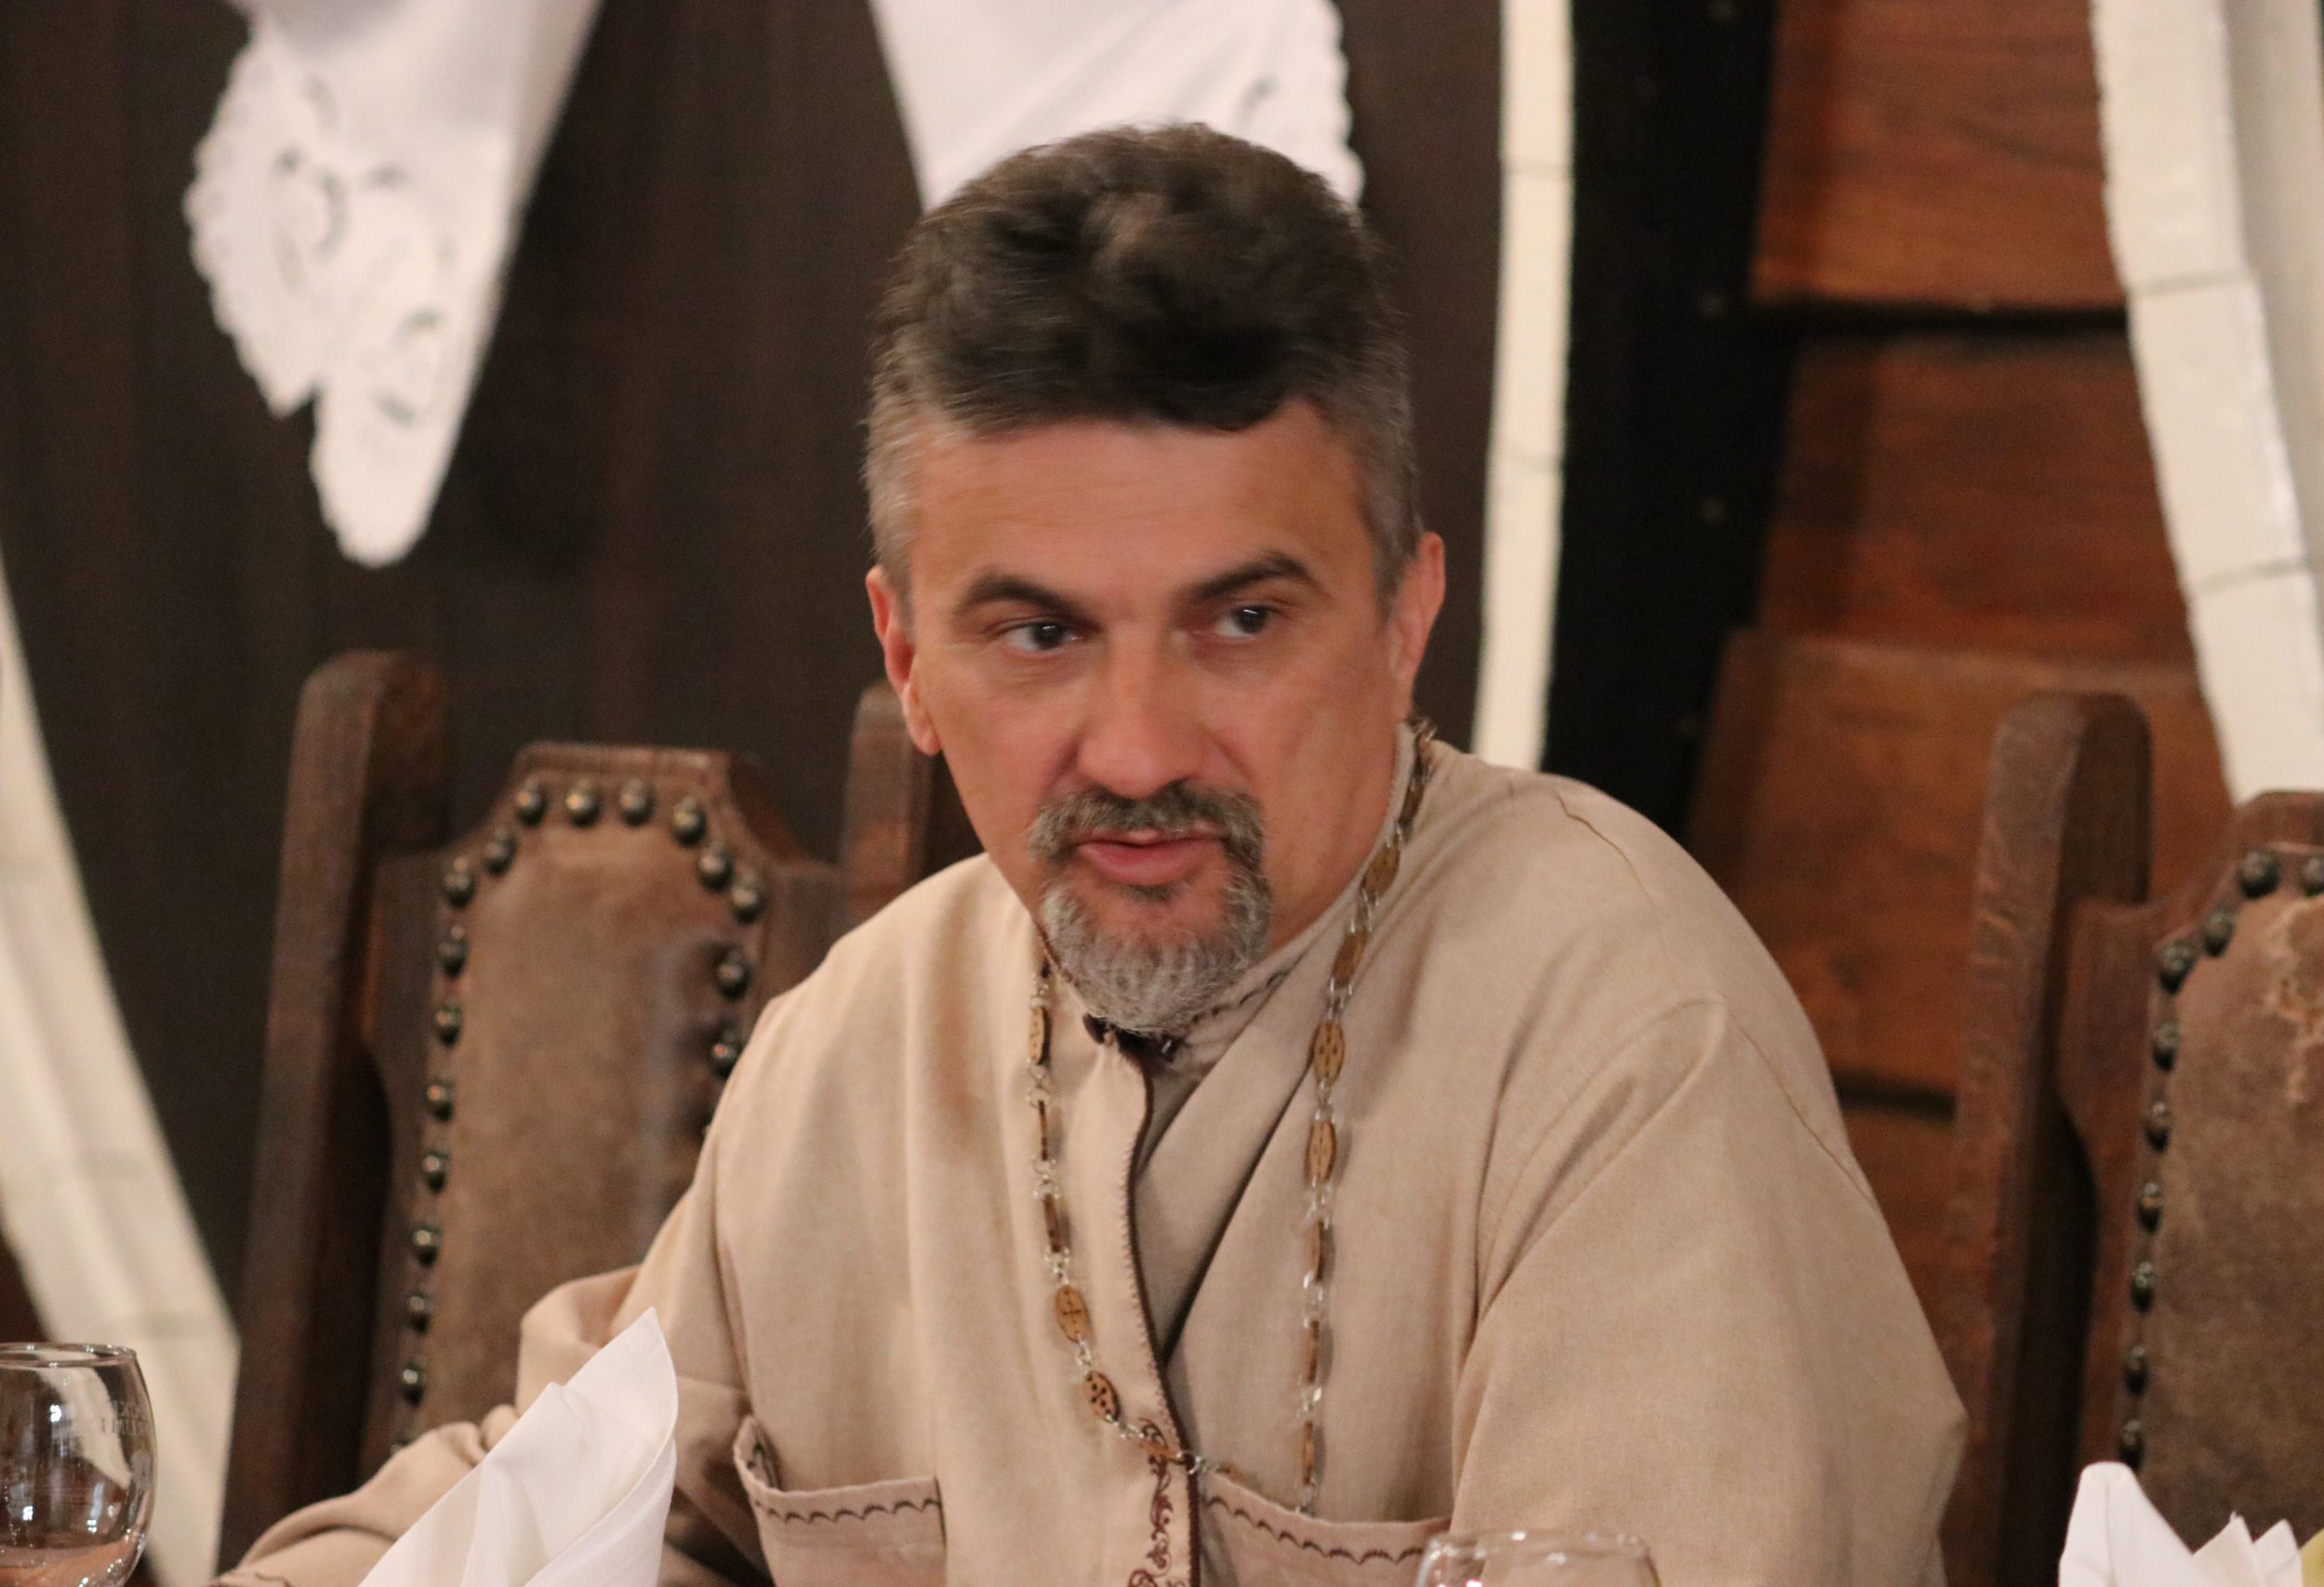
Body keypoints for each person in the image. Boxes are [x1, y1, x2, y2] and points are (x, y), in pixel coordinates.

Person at [223, 123, 1962, 1587]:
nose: (1136, 752)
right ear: (908, 658)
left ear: (1405, 617)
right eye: (1041, 635)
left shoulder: (1631, 1041)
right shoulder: (859, 1043)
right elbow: (556, 1504)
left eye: (1242, 622)